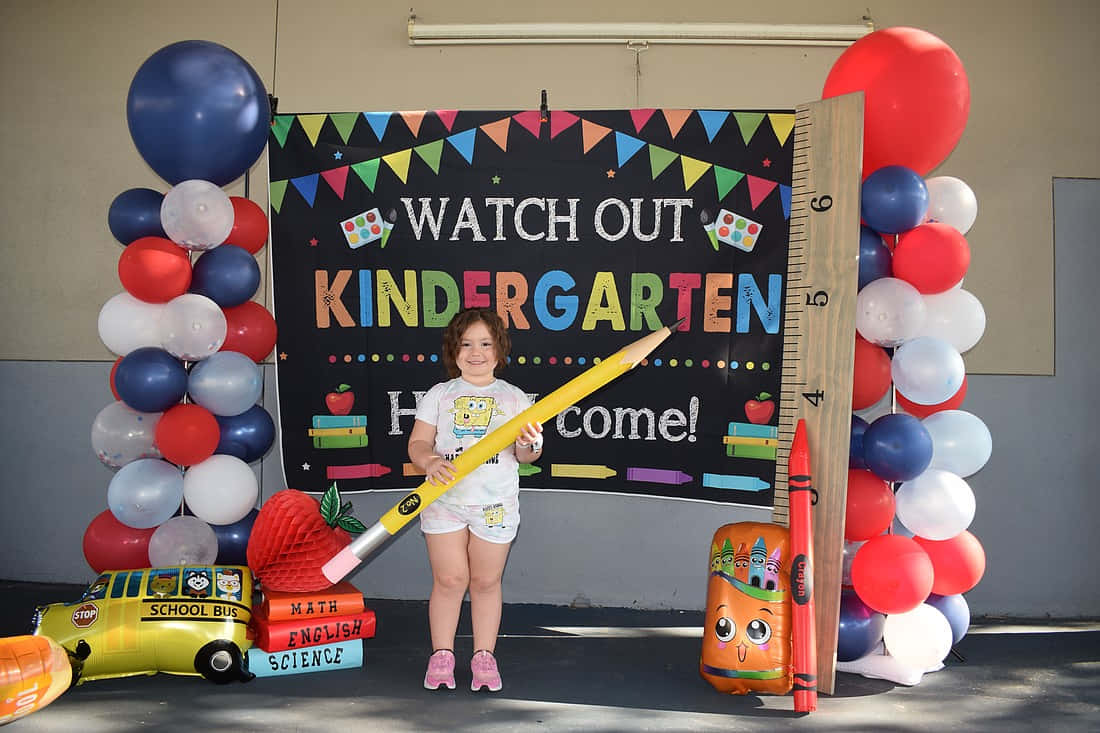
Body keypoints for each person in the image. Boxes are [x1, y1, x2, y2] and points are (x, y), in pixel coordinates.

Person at [408, 308, 543, 692]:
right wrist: (429, 459)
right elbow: (418, 444)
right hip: (444, 501)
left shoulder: (515, 399)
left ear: (499, 350)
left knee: (485, 582)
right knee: (449, 580)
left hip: (495, 506)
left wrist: (527, 443)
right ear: (453, 351)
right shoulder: (441, 395)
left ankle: (484, 656)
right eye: (466, 344)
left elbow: (528, 455)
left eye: (485, 343)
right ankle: (442, 655)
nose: (476, 352)